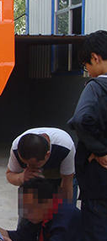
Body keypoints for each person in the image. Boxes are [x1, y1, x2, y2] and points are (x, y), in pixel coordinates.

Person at [67, 30, 107, 241]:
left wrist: (100, 150)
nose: (88, 71)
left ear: (95, 57)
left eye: (86, 66)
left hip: (99, 185)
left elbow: (81, 119)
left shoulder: (96, 87)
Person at [0, 178, 82, 241]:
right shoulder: (40, 215)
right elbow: (20, 237)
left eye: (30, 208)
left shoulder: (65, 219)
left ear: (47, 203)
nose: (26, 213)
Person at [6, 128, 75, 200]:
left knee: (64, 203)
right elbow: (10, 174)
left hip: (61, 175)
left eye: (34, 164)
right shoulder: (16, 148)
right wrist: (21, 177)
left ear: (47, 155)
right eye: (25, 163)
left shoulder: (65, 148)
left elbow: (67, 182)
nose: (29, 167)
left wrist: (65, 205)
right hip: (37, 182)